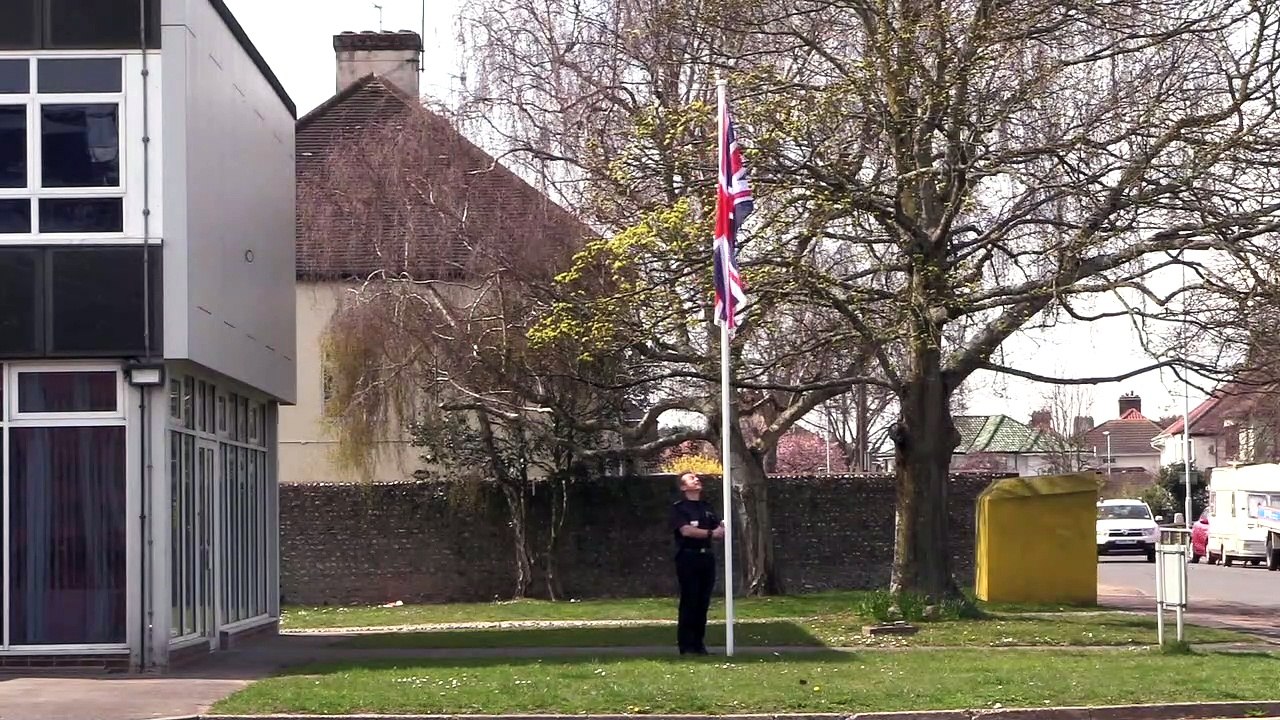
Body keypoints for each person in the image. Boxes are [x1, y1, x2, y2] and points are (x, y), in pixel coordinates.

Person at [668, 471, 724, 655]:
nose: (697, 479)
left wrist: (721, 528)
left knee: (703, 602)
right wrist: (709, 533)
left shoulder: (706, 507)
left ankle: (699, 645)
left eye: (697, 478)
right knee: (690, 600)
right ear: (684, 487)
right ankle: (686, 645)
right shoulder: (680, 508)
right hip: (688, 557)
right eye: (691, 478)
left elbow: (717, 529)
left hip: (706, 557)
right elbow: (686, 531)